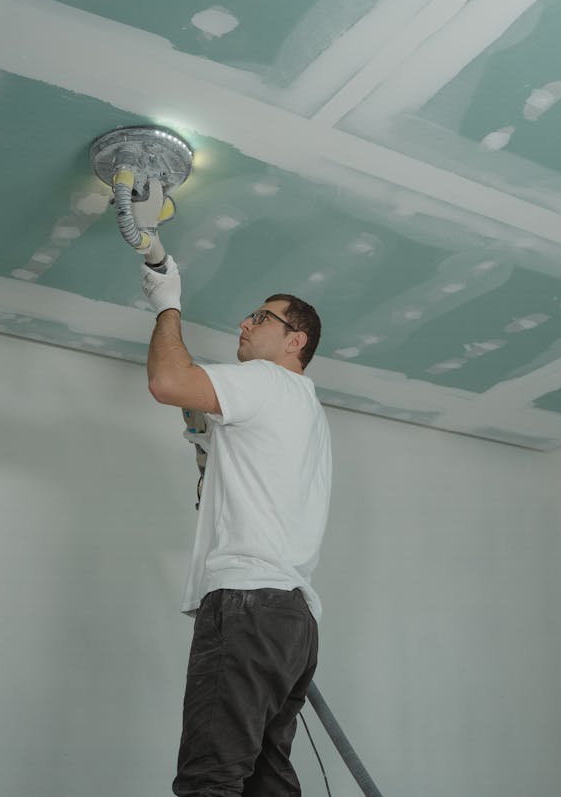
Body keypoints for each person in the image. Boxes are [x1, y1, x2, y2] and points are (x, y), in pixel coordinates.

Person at [141, 254, 333, 796]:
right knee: (265, 782)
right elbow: (216, 439)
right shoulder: (304, 409)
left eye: (261, 317)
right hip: (292, 620)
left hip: (248, 605)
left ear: (295, 341)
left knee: (212, 778)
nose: (245, 324)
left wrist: (167, 304)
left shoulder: (267, 382)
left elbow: (168, 381)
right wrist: (204, 437)